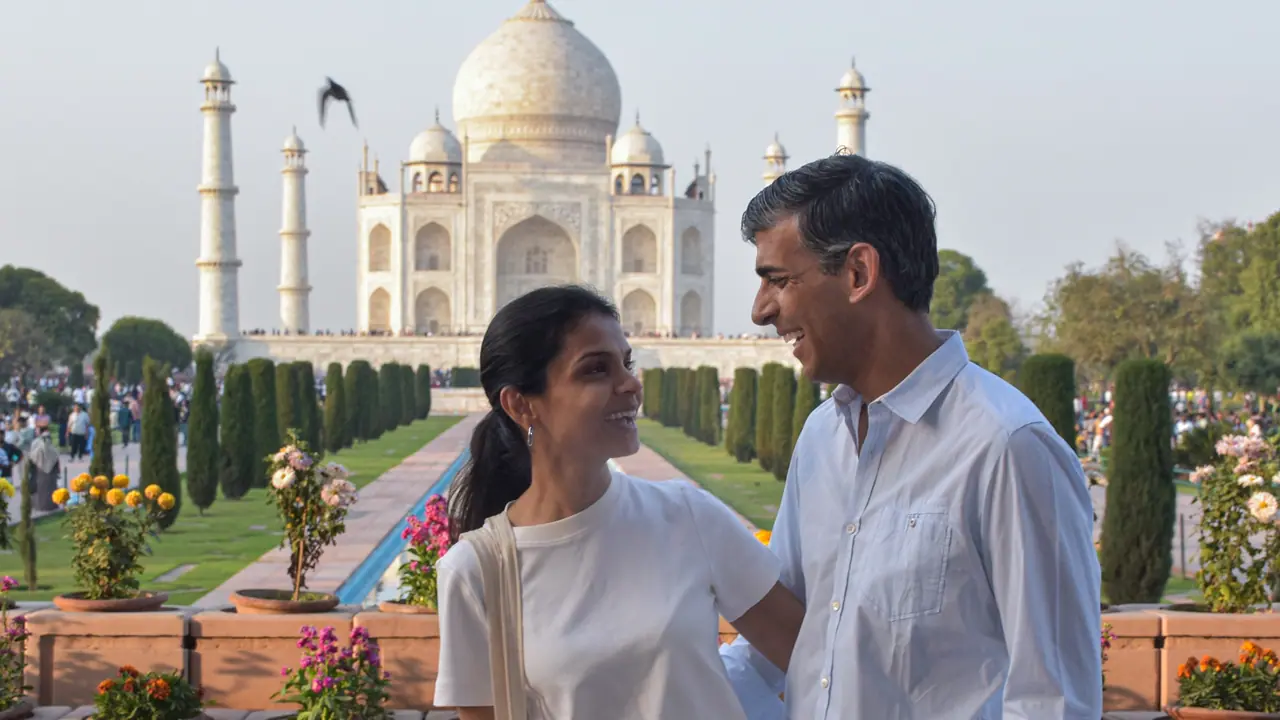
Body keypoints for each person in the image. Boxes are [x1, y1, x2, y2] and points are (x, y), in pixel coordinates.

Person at [720, 152, 1102, 719]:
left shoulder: (1004, 446)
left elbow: (1053, 700)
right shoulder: (824, 438)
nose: (760, 310)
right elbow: (790, 639)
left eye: (779, 280)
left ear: (858, 273)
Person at [433, 285, 805, 720]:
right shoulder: (477, 571)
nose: (630, 384)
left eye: (626, 364)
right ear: (521, 404)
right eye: (596, 370)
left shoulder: (686, 516)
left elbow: (812, 659)